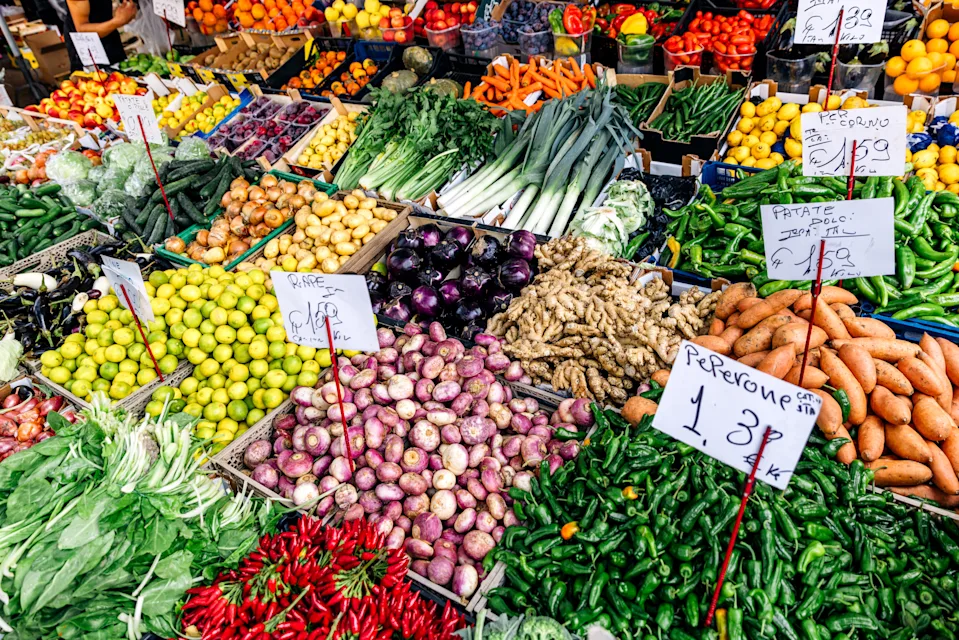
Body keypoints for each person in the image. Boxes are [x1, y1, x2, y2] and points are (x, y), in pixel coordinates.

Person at [65, 0, 137, 70]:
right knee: (96, 79)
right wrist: (118, 21)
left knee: (122, 73)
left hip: (109, 32)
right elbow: (82, 28)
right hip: (87, 44)